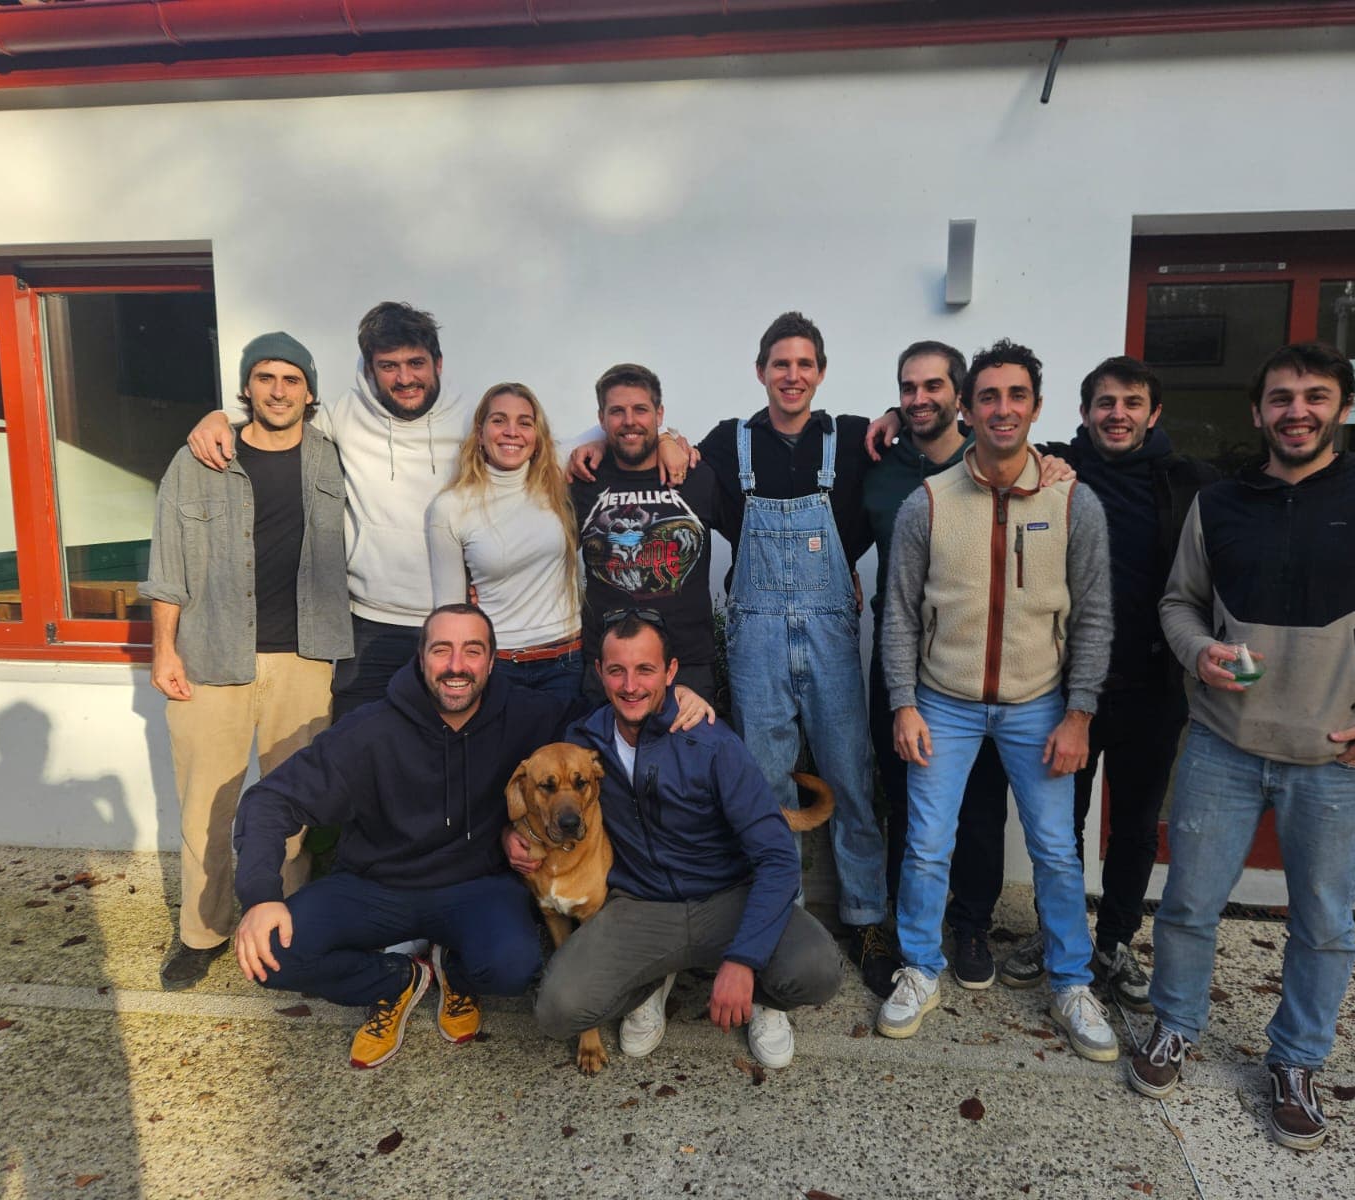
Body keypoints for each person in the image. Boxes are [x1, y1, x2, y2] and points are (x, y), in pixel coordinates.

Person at [1130, 342, 1355, 1151]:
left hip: (1337, 753)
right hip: (1222, 744)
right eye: (1281, 397)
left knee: (1322, 922)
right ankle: (1174, 1024)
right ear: (1259, 412)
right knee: (1187, 907)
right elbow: (1180, 603)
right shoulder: (1221, 502)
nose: (1297, 411)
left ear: (1342, 408)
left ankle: (1297, 1059)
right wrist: (1196, 650)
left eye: (1315, 396)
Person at [230, 603, 716, 1069]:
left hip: (474, 886)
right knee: (272, 956)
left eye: (473, 651)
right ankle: (398, 978)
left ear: (491, 661)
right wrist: (261, 895)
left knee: (513, 967)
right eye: (441, 650)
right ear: (421, 658)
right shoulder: (370, 731)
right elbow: (271, 799)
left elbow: (615, 707)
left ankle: (455, 972)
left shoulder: (528, 713)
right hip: (378, 885)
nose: (456, 665)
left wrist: (677, 698)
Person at [877, 339, 1117, 1063]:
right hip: (942, 700)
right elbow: (899, 613)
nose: (1002, 409)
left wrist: (1080, 713)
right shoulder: (928, 503)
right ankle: (920, 968)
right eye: (988, 396)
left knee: (1054, 849)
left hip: (1039, 701)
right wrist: (903, 703)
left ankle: (1073, 981)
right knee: (924, 844)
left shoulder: (1073, 501)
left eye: (1016, 396)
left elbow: (1094, 615)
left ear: (1036, 407)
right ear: (967, 407)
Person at [526, 613, 844, 1069]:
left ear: (671, 672)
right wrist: (511, 834)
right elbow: (537, 792)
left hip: (725, 897)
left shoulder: (711, 740)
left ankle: (764, 1000)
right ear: (599, 673)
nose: (630, 685)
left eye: (646, 670)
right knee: (559, 1010)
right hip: (642, 904)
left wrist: (743, 962)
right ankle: (653, 980)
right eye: (617, 671)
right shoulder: (583, 747)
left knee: (815, 970)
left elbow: (776, 856)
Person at [998, 355, 1217, 1009]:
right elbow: (982, 442)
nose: (1116, 414)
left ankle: (1114, 942)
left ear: (1153, 415)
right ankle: (1056, 932)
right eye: (1104, 403)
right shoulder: (1059, 469)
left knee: (1135, 825)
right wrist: (896, 417)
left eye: (1130, 403)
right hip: (1064, 687)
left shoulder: (1189, 483)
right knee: (1059, 822)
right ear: (1086, 412)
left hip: (1152, 684)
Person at [141, 332, 352, 991]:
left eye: (292, 378)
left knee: (293, 808)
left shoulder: (335, 461)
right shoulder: (200, 459)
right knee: (209, 803)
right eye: (266, 377)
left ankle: (282, 927)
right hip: (212, 658)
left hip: (307, 659)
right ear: (246, 388)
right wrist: (163, 648)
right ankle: (201, 934)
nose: (279, 389)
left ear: (310, 391)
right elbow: (167, 567)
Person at [695, 312, 894, 994]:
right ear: (761, 371)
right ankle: (787, 922)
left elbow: (918, 450)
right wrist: (662, 438)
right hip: (755, 635)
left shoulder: (855, 437)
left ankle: (866, 916)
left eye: (805, 364)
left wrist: (899, 412)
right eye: (780, 364)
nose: (792, 375)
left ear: (821, 372)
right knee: (766, 781)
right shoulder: (730, 442)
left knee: (851, 775)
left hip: (831, 630)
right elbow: (675, 468)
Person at [187, 302, 471, 718]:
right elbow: (277, 416)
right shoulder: (345, 417)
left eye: (416, 363)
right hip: (368, 624)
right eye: (389, 366)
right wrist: (218, 417)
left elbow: (543, 446)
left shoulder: (473, 420)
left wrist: (593, 439)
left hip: (453, 622)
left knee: (451, 751)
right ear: (370, 369)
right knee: (359, 753)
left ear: (439, 364)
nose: (405, 377)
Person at [861, 341, 1009, 990]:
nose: (919, 398)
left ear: (962, 395)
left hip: (980, 670)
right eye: (907, 388)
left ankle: (971, 922)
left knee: (980, 803)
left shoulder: (1002, 465)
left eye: (933, 387)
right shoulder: (883, 466)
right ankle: (904, 925)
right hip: (899, 669)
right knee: (902, 802)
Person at [570, 363, 724, 700]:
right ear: (601, 419)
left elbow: (749, 536)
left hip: (686, 665)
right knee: (604, 756)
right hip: (607, 666)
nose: (629, 421)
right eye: (617, 412)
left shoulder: (697, 476)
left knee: (686, 753)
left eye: (640, 409)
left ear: (659, 414)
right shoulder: (582, 482)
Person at [427, 382, 583, 701]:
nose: (512, 431)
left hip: (566, 665)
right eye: (499, 420)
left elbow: (613, 429)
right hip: (499, 668)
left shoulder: (557, 486)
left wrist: (668, 439)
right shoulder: (450, 507)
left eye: (525, 423)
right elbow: (450, 613)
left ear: (538, 436)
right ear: (480, 431)